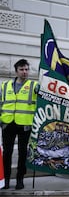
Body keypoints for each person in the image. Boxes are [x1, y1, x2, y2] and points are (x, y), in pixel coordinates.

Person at [1, 59, 38, 190]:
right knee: (7, 153)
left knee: (23, 153)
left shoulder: (35, 86)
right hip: (7, 124)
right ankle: (5, 180)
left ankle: (20, 179)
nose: (25, 72)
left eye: (27, 69)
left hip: (25, 125)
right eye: (22, 69)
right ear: (16, 71)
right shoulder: (4, 86)